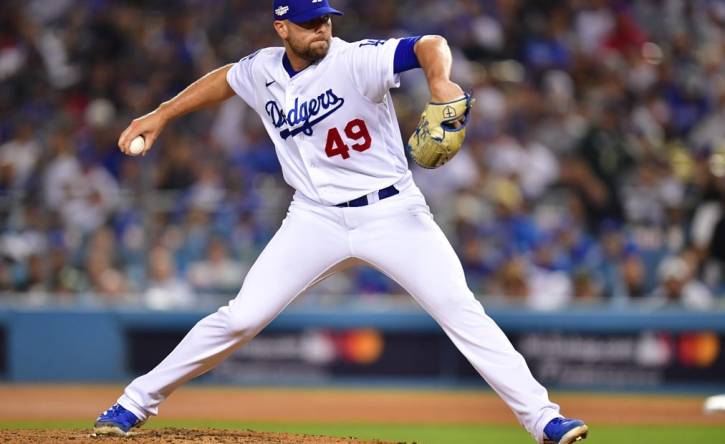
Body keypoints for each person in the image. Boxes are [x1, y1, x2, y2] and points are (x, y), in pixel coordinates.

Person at [93, 1, 588, 443]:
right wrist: (161, 113)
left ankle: (544, 420)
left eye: (326, 19)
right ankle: (134, 403)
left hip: (391, 211)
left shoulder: (356, 60)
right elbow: (225, 78)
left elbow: (432, 45)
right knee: (241, 317)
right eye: (309, 22)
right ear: (281, 27)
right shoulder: (262, 69)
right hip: (313, 217)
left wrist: (440, 83)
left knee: (461, 310)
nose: (322, 29)